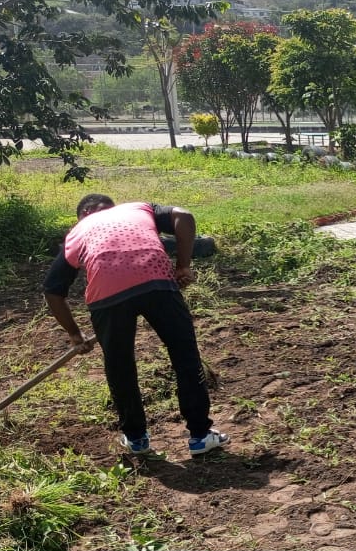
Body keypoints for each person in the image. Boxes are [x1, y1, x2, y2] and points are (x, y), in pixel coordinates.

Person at [42, 194, 227, 456]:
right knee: (185, 356)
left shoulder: (77, 232)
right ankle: (200, 436)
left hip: (107, 296)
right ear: (112, 208)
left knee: (120, 367)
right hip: (156, 280)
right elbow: (183, 216)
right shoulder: (138, 209)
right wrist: (183, 266)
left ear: (83, 215)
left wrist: (75, 334)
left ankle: (136, 439)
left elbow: (52, 291)